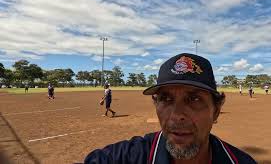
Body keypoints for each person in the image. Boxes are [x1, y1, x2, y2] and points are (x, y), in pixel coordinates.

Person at [84, 53, 256, 164]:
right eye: (166, 98)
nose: (176, 115)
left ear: (216, 110)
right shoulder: (132, 156)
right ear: (155, 104)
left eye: (194, 99)